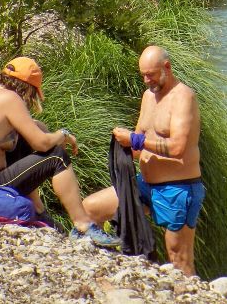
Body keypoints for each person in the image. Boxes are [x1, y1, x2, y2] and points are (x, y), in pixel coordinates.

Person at [0, 57, 120, 248]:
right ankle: (83, 225)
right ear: (29, 89)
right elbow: (41, 143)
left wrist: (45, 131)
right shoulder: (11, 99)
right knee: (56, 156)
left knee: (27, 136)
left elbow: (33, 130)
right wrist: (62, 135)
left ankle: (39, 210)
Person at [83, 46, 204, 276]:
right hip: (144, 184)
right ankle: (109, 273)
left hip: (177, 188)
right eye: (143, 75)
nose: (147, 80)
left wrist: (135, 139)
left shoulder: (183, 97)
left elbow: (178, 148)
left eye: (152, 74)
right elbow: (139, 142)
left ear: (167, 68)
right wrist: (124, 144)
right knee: (90, 209)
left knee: (180, 259)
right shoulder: (149, 96)